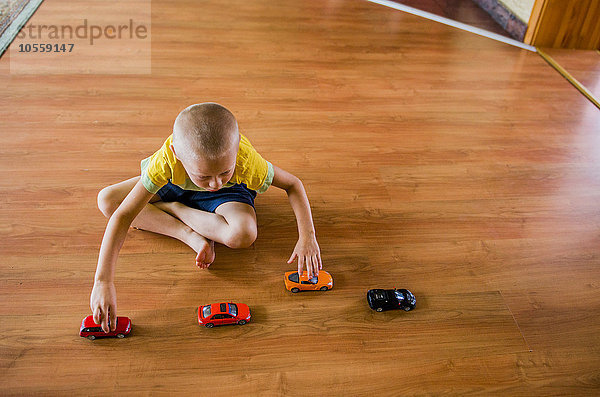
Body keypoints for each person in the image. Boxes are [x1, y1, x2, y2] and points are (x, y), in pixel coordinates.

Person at [90, 102, 322, 332]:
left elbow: (293, 184)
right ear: (176, 154)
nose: (215, 183)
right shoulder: (165, 162)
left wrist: (307, 237)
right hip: (176, 183)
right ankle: (186, 231)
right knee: (107, 200)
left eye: (224, 171)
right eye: (205, 176)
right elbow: (122, 216)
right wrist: (103, 282)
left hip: (228, 195)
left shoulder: (245, 161)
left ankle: (176, 210)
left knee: (244, 234)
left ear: (237, 149)